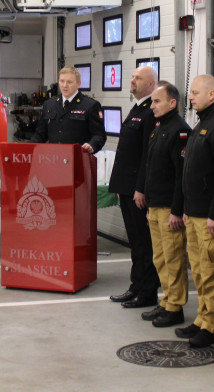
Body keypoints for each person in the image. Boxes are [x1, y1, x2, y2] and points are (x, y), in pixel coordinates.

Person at [178, 74, 214, 347]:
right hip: (194, 212)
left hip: (208, 216)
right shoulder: (201, 125)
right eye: (191, 93)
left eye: (196, 92)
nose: (191, 97)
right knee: (198, 270)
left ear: (212, 95)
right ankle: (202, 318)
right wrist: (187, 208)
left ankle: (212, 325)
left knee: (212, 271)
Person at [108, 65, 162, 309]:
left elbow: (147, 156)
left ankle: (147, 291)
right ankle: (136, 286)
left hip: (138, 190)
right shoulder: (138, 107)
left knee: (144, 242)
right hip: (127, 187)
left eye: (138, 78)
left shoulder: (151, 111)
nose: (132, 80)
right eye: (132, 76)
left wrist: (141, 188)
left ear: (151, 84)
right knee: (135, 242)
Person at [139, 82, 191, 328]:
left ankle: (175, 306)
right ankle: (167, 299)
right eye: (151, 101)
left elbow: (181, 174)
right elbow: (152, 168)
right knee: (160, 257)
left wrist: (176, 210)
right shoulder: (158, 129)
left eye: (157, 101)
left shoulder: (180, 130)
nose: (152, 106)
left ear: (173, 103)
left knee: (173, 258)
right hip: (156, 205)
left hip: (169, 207)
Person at [30, 66, 106, 153]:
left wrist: (92, 145)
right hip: (53, 159)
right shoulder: (49, 104)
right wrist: (27, 147)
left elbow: (99, 135)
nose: (65, 85)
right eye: (62, 81)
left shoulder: (90, 105)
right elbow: (40, 134)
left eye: (69, 82)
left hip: (77, 160)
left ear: (78, 84)